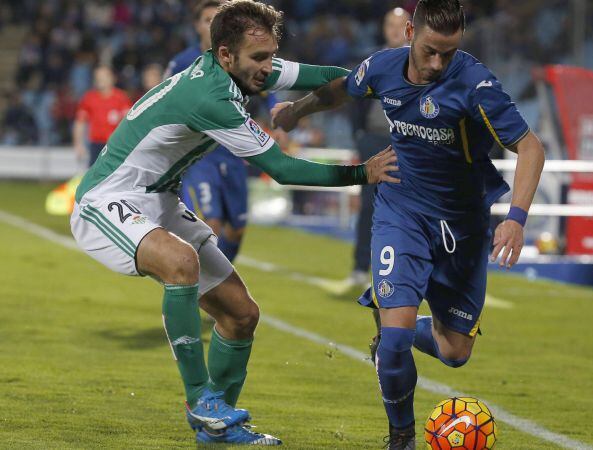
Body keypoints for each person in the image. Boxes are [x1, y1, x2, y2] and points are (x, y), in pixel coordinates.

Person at [69, 1, 398, 445]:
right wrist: (361, 173)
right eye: (259, 59)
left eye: (270, 56)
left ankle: (217, 429)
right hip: (108, 198)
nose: (268, 68)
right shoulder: (211, 96)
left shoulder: (245, 64)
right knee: (181, 262)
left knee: (242, 315)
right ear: (226, 55)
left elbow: (325, 76)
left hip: (160, 199)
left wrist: (373, 79)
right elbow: (283, 170)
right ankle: (199, 398)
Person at [272, 1, 545, 447]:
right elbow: (342, 90)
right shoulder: (382, 67)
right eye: (431, 50)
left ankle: (399, 324)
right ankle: (401, 436)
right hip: (402, 212)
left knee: (455, 352)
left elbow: (531, 148)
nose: (438, 63)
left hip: (463, 225)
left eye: (449, 53)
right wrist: (296, 110)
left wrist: (516, 218)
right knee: (395, 342)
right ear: (410, 31)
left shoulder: (476, 84)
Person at [167, 0, 277, 262]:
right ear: (197, 26)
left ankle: (219, 281)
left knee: (236, 230)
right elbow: (166, 103)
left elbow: (266, 91)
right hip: (200, 156)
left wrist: (277, 118)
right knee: (209, 223)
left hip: (234, 154)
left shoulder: (239, 58)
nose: (211, 25)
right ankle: (199, 285)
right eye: (207, 20)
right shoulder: (182, 62)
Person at [347, 7, 411, 287]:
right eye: (390, 24)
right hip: (374, 140)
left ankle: (406, 269)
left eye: (400, 25)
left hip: (409, 142)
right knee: (369, 206)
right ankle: (361, 267)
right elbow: (354, 98)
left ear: (410, 28)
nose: (395, 30)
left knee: (410, 207)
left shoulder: (422, 63)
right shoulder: (371, 61)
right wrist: (359, 136)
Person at [72, 66, 133, 166]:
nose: (100, 79)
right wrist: (78, 144)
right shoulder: (89, 98)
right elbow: (80, 122)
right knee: (95, 176)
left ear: (112, 78)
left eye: (103, 76)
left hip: (115, 145)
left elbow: (129, 123)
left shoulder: (121, 98)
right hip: (96, 144)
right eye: (97, 77)